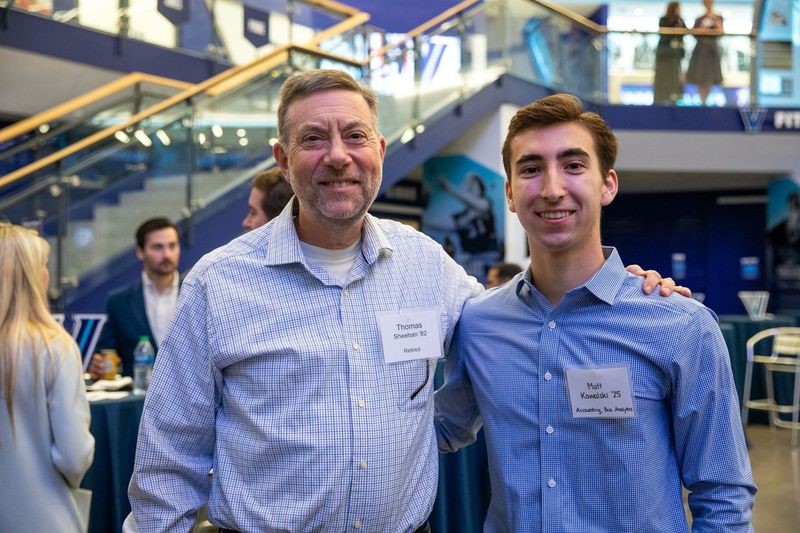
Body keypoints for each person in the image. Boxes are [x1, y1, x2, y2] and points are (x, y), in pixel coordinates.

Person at [124, 70, 686, 532]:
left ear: (380, 150)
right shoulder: (218, 283)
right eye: (314, 138)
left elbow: (518, 325)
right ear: (282, 157)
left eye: (356, 136)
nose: (338, 156)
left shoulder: (426, 265)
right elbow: (168, 461)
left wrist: (625, 288)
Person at [434, 94, 756, 532]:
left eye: (573, 165)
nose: (552, 188)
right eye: (530, 169)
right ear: (509, 194)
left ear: (607, 184)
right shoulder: (478, 323)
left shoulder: (680, 325)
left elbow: (722, 494)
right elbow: (438, 429)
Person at [0, 223, 95, 532]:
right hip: (44, 518)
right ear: (28, 275)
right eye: (43, 265)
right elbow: (74, 455)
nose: (47, 275)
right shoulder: (54, 348)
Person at [90, 217, 181, 378]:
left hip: (190, 398)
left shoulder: (197, 294)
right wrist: (99, 366)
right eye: (157, 247)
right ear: (140, 252)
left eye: (172, 246)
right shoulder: (119, 302)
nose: (167, 254)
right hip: (137, 398)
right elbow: (106, 354)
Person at [686, 0, 724, 105]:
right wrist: (703, 27)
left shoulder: (718, 17)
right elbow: (695, 33)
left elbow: (721, 31)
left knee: (709, 77)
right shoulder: (699, 19)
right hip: (700, 50)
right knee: (699, 76)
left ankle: (705, 102)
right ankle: (702, 102)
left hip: (712, 51)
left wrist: (713, 18)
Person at [654, 1, 687, 104]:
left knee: (675, 79)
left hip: (675, 57)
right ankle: (662, 100)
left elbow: (684, 32)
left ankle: (674, 99)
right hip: (665, 57)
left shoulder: (680, 21)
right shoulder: (664, 19)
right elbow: (665, 32)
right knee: (664, 80)